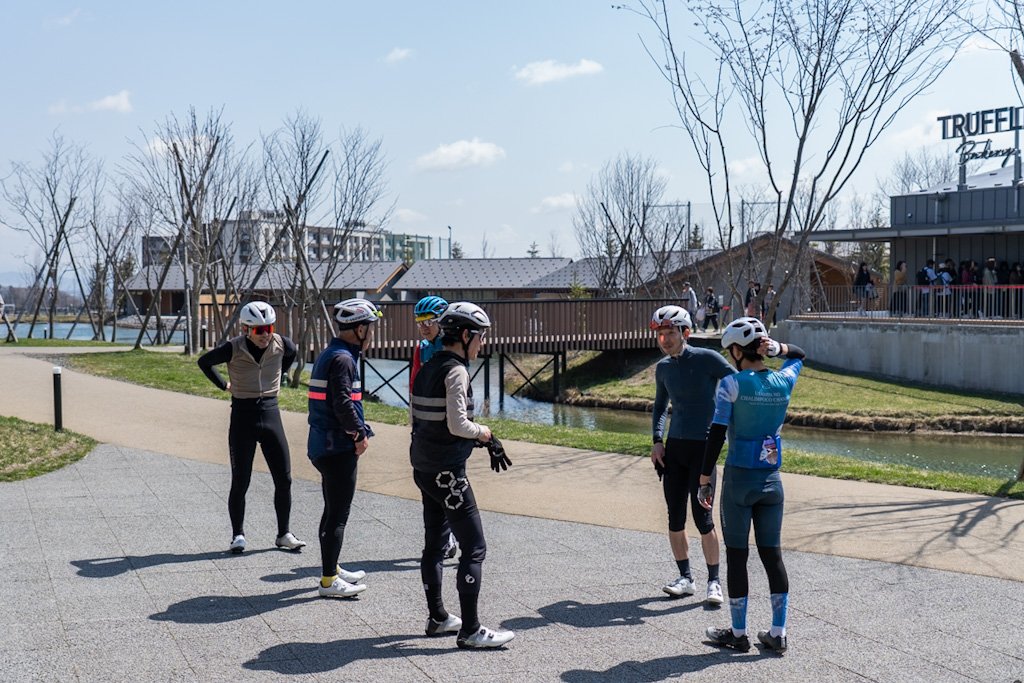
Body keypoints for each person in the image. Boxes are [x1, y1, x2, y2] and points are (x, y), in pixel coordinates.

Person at [410, 301, 515, 649]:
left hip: (424, 467)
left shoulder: (427, 366)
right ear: (466, 335)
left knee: (435, 545)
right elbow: (457, 424)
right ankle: (470, 630)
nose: (482, 344)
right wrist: (485, 433)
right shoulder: (456, 371)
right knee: (474, 546)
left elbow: (420, 419)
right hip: (447, 473)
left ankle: (438, 617)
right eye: (480, 337)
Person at [698, 317, 806, 655]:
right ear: (761, 348)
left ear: (735, 350)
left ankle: (738, 634)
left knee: (738, 556)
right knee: (772, 556)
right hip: (772, 481)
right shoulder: (783, 380)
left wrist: (704, 478)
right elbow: (799, 355)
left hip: (739, 482)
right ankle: (778, 633)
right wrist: (778, 348)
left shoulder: (731, 384)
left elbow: (716, 434)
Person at [197, 301, 305, 554]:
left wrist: (279, 374)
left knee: (284, 479)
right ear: (246, 329)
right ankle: (238, 535)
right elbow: (204, 362)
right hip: (242, 417)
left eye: (269, 328)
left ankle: (284, 534)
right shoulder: (232, 348)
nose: (265, 334)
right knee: (241, 480)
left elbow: (291, 355)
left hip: (271, 413)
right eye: (259, 330)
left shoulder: (283, 345)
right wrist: (224, 385)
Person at [650, 305, 735, 606]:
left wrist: (727, 419)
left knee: (703, 518)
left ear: (685, 332)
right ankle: (686, 578)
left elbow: (738, 384)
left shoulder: (707, 359)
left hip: (704, 450)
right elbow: (660, 407)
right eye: (661, 334)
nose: (665, 339)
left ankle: (714, 581)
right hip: (675, 450)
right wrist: (657, 440)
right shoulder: (663, 368)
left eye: (670, 333)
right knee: (675, 517)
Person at [307, 298, 382, 598]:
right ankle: (328, 581)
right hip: (336, 447)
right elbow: (342, 403)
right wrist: (359, 434)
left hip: (323, 443)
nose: (372, 334)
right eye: (371, 328)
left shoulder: (332, 353)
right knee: (338, 514)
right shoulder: (344, 359)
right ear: (360, 329)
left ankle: (333, 567)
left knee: (331, 509)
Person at [411, 295, 459, 560]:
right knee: (429, 485)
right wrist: (415, 421)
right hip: (427, 427)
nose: (424, 327)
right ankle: (444, 536)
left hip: (450, 426)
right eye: (419, 322)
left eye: (429, 322)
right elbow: (414, 385)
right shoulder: (421, 349)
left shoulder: (452, 347)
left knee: (451, 484)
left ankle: (453, 533)